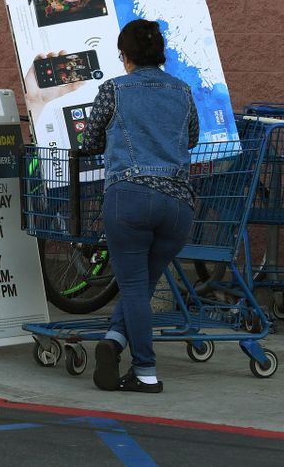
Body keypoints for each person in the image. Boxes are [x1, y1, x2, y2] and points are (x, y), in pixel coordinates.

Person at [79, 19, 199, 393]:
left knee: (132, 286)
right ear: (159, 54)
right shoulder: (182, 91)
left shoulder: (114, 90)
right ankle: (114, 341)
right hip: (177, 204)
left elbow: (90, 140)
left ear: (125, 56)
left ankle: (146, 371)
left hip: (129, 197)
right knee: (142, 284)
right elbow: (191, 138)